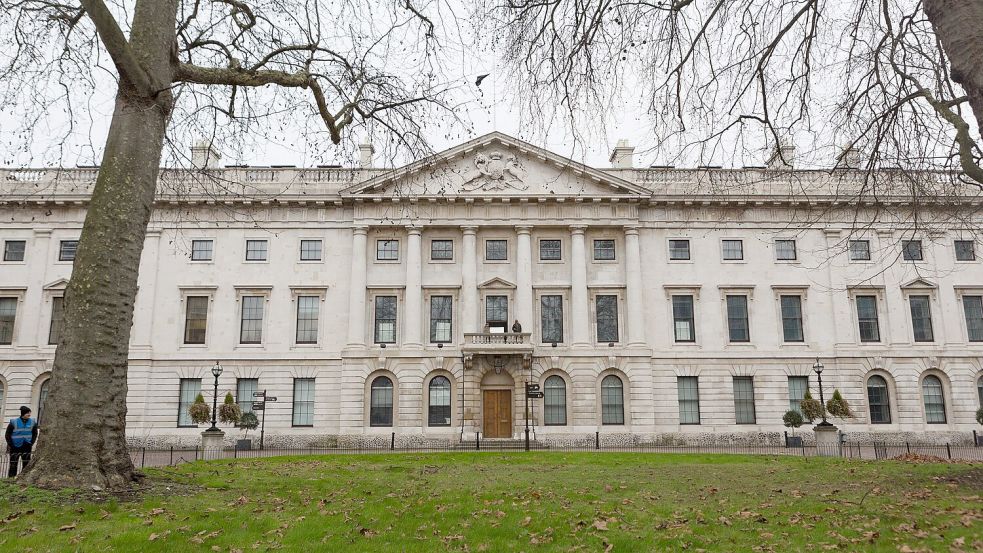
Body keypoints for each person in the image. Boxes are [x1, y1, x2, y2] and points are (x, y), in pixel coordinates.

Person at [6, 406, 38, 478]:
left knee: (26, 464)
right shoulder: (13, 422)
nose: (29, 415)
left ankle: (24, 478)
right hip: (15, 446)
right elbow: (7, 434)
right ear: (23, 413)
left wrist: (31, 443)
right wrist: (11, 444)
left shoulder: (33, 422)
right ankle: (11, 478)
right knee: (13, 464)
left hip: (27, 446)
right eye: (28, 413)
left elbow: (35, 433)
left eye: (30, 413)